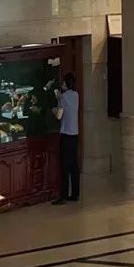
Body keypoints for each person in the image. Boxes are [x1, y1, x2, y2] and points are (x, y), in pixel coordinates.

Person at [52, 73, 80, 204]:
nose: (62, 84)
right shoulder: (76, 95)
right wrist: (60, 98)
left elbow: (59, 115)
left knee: (64, 167)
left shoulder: (63, 97)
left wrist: (53, 108)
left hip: (66, 136)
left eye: (63, 82)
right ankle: (75, 194)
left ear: (67, 83)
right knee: (74, 166)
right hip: (75, 135)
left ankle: (62, 196)